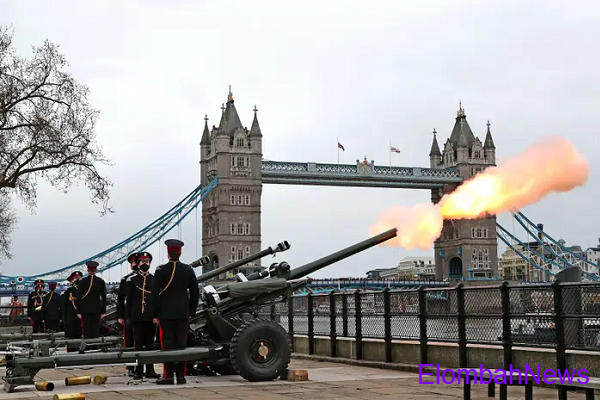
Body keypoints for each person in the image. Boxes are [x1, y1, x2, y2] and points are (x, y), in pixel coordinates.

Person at [152, 239, 199, 385]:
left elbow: (154, 294)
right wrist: (191, 310)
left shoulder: (161, 270)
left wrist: (155, 313)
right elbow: (195, 292)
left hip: (165, 314)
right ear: (180, 252)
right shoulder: (188, 270)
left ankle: (168, 376)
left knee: (167, 344)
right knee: (181, 344)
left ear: (168, 253)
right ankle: (180, 376)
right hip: (183, 313)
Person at [126, 251, 158, 379]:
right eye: (142, 262)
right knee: (138, 345)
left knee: (150, 344)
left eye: (147, 262)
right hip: (137, 317)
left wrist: (156, 315)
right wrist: (128, 317)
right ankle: (138, 371)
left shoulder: (154, 279)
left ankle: (150, 370)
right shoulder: (132, 280)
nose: (145, 263)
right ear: (138, 264)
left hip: (150, 317)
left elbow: (156, 300)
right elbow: (129, 301)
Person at [117, 252, 140, 376]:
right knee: (129, 342)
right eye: (133, 262)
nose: (135, 264)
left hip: (143, 315)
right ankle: (131, 367)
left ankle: (146, 367)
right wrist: (120, 316)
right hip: (129, 315)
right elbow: (121, 299)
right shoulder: (126, 279)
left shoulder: (149, 277)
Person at [76, 261, 107, 339]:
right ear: (96, 270)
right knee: (95, 329)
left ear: (88, 270)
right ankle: (96, 347)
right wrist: (103, 311)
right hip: (97, 309)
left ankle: (88, 347)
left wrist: (78, 311)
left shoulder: (82, 282)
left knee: (86, 330)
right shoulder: (100, 281)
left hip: (85, 309)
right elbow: (104, 297)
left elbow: (78, 297)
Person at [62, 271, 83, 342]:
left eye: (78, 278)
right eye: (75, 278)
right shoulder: (68, 292)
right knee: (72, 335)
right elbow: (64, 308)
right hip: (72, 316)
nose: (77, 280)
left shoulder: (85, 290)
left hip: (83, 316)